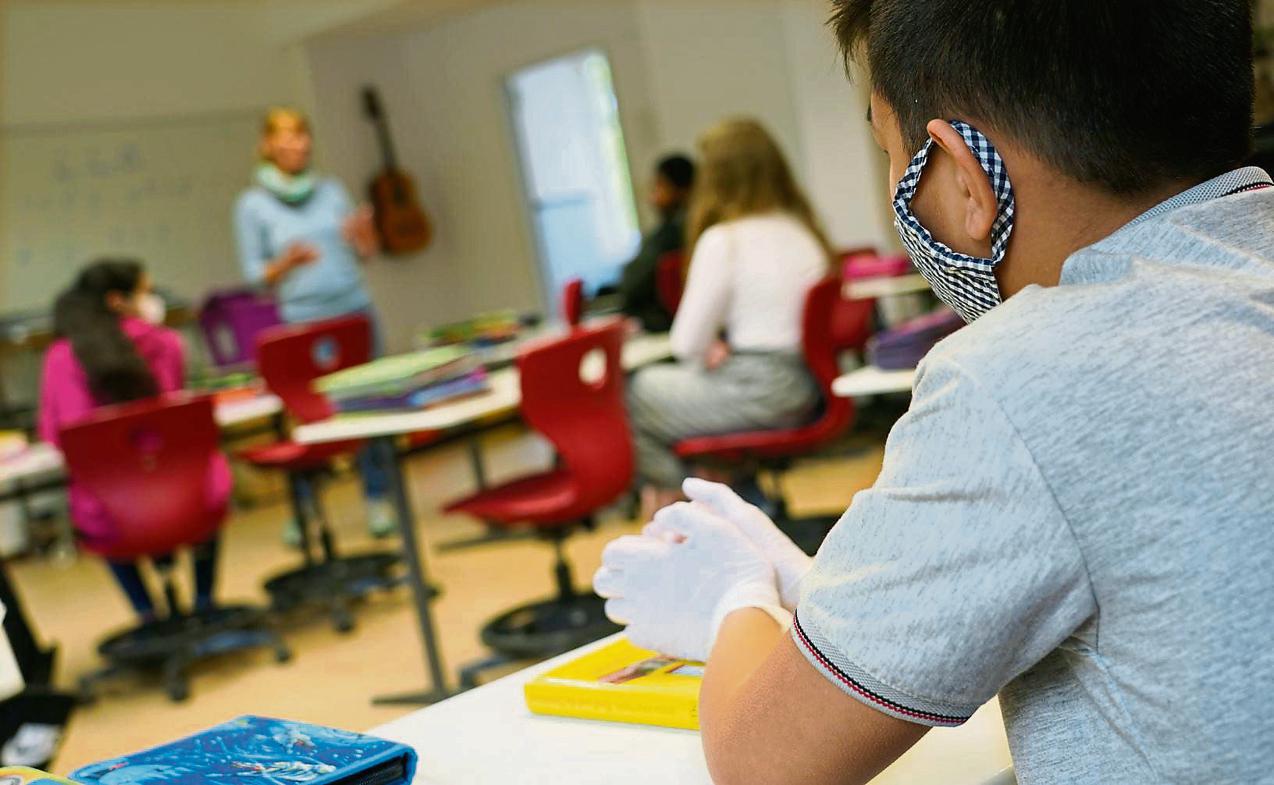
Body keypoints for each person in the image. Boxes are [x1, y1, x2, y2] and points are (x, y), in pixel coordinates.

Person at [594, 1, 1274, 783]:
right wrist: (826, 592)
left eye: (889, 150)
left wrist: (731, 598)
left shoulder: (1019, 374)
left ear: (961, 173)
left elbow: (763, 766)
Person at [626, 120, 830, 515]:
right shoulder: (803, 230)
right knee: (675, 394)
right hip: (805, 387)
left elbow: (685, 345)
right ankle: (740, 494)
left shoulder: (725, 240)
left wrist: (709, 349)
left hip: (760, 389)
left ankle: (707, 510)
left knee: (632, 395)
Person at [232, 107, 395, 538]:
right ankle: (304, 510)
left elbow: (365, 253)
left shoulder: (331, 189)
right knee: (309, 415)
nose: (298, 143)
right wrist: (286, 262)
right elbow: (254, 277)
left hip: (354, 311)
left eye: (303, 134)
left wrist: (363, 235)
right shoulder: (252, 205)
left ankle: (378, 500)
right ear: (267, 144)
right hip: (304, 322)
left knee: (370, 408)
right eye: (286, 136)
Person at [38, 261, 228, 622]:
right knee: (211, 475)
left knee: (91, 498)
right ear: (117, 300)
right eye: (145, 292)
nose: (152, 300)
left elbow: (58, 438)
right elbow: (180, 424)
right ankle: (206, 604)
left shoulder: (60, 359)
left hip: (112, 514)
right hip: (186, 498)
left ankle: (147, 617)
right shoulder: (167, 343)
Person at [618, 154, 696, 333]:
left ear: (682, 189)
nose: (652, 196)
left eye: (659, 186)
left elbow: (632, 285)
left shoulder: (671, 234)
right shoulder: (692, 227)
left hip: (664, 327)